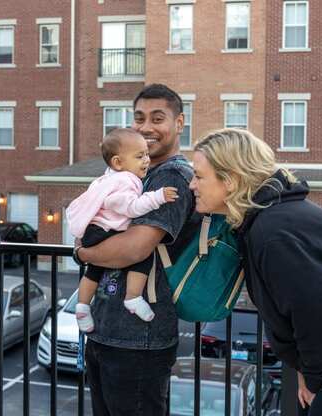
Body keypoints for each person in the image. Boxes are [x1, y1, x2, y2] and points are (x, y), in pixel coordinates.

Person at [189, 128, 322, 416]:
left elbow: (316, 317)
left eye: (199, 176)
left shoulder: (274, 233)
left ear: (229, 181)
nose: (192, 185)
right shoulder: (275, 217)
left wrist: (313, 376)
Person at [74, 84, 199, 416]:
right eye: (139, 118)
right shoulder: (133, 174)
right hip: (106, 329)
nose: (146, 127)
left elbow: (133, 248)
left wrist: (84, 253)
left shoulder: (172, 178)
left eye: (158, 118)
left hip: (139, 339)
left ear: (180, 123)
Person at [67, 128, 178, 330]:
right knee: (144, 256)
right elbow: (131, 207)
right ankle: (133, 297)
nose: (146, 160)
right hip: (106, 230)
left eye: (146, 154)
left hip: (95, 231)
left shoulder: (109, 178)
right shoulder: (125, 182)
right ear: (118, 162)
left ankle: (82, 307)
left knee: (95, 268)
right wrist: (158, 197)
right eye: (139, 156)